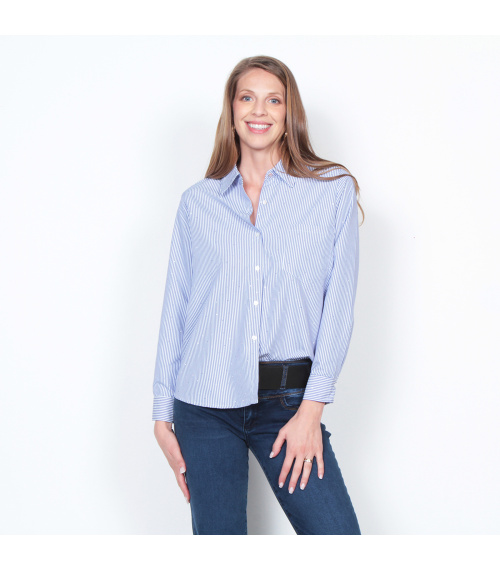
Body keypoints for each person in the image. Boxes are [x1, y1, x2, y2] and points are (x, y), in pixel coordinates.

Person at [152, 55, 365, 535]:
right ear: (231, 111)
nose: (259, 110)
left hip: (288, 403)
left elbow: (338, 309)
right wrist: (162, 414)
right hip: (203, 407)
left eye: (274, 100)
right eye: (247, 97)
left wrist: (311, 410)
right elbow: (176, 309)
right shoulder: (198, 203)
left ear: (290, 114)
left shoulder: (331, 192)